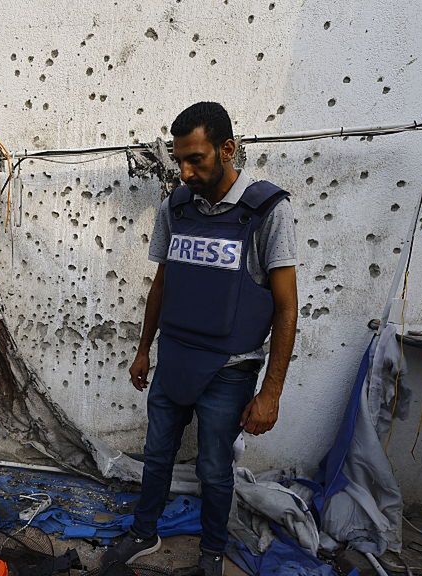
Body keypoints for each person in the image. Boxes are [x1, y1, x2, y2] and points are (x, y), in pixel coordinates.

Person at [100, 102, 298, 575]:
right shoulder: (176, 207)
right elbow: (163, 283)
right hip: (175, 358)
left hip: (229, 370)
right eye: (179, 161)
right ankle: (144, 532)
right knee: (156, 456)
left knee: (214, 469)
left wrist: (271, 392)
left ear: (227, 149)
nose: (185, 172)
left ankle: (211, 551)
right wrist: (143, 350)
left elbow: (287, 308)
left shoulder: (268, 211)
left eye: (196, 159)